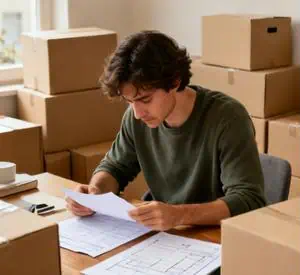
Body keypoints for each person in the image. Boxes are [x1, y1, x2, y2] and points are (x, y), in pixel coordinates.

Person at [64, 31, 267, 231]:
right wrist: (94, 193)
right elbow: (115, 167)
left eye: (145, 99)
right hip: (164, 236)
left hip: (215, 238)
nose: (137, 113)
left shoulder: (228, 119)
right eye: (129, 101)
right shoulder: (137, 118)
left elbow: (249, 199)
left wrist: (179, 214)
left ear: (175, 82)